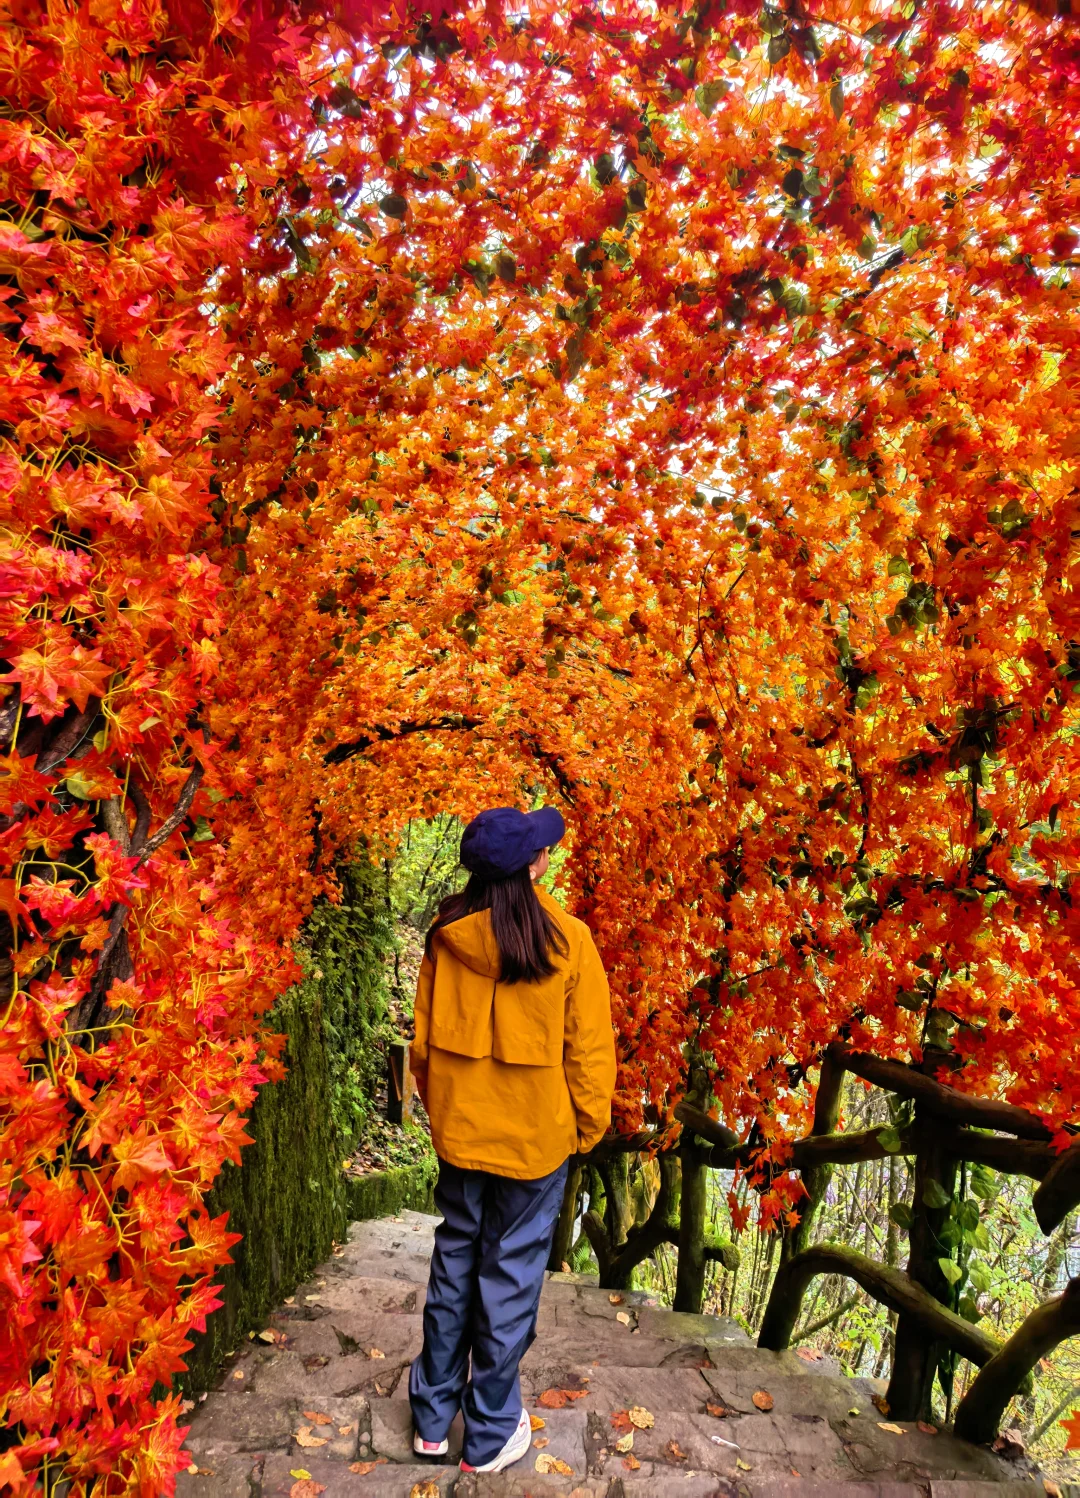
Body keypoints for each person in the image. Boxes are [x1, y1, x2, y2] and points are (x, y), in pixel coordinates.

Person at [407, 805, 617, 1473]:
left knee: (454, 1268)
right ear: (529, 866)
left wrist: (441, 1114)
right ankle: (493, 1430)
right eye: (541, 850)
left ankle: (433, 1421)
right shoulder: (567, 939)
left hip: (463, 1135)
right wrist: (588, 1126)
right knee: (509, 1279)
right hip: (534, 1142)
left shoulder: (446, 935)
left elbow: (421, 1043)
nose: (548, 856)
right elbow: (588, 1052)